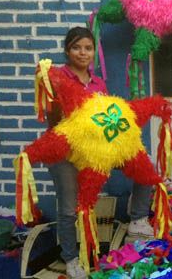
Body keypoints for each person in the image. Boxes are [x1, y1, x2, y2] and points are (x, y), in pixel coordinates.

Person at [47, 27, 154, 279]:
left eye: (88, 48)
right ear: (67, 50)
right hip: (66, 153)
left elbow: (106, 119)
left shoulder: (98, 83)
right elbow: (52, 120)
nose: (83, 53)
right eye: (76, 47)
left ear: (94, 52)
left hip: (97, 150)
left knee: (145, 168)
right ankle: (71, 259)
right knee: (69, 208)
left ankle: (137, 219)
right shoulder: (56, 78)